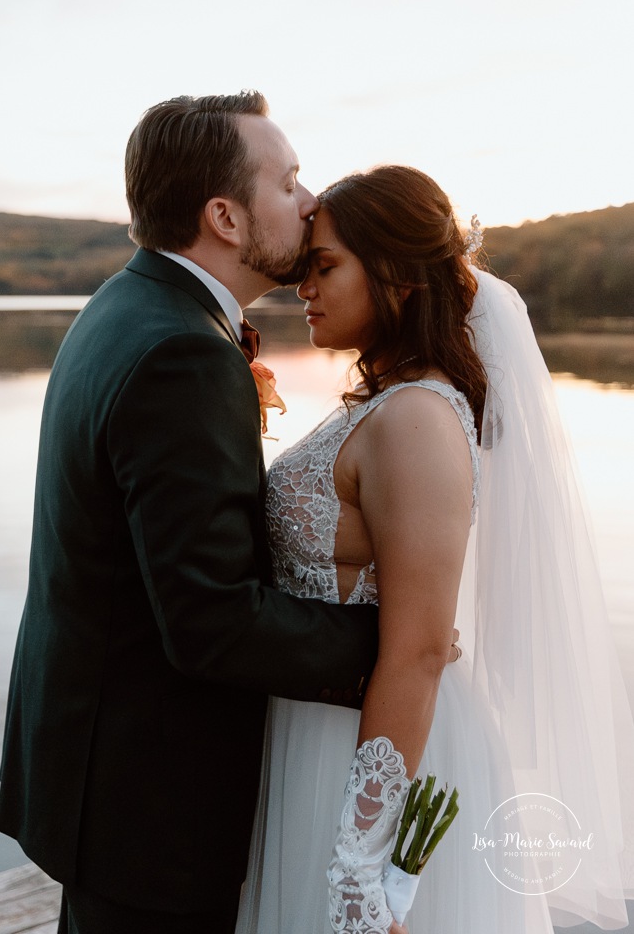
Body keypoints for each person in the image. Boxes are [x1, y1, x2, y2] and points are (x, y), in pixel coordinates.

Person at [0, 92, 396, 934]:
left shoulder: (121, 308)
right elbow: (210, 619)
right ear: (223, 215)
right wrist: (389, 644)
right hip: (150, 807)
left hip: (92, 779)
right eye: (286, 181)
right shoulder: (181, 350)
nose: (310, 200)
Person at [236, 165, 634, 933]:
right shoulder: (386, 401)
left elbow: (418, 649)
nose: (303, 289)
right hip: (313, 726)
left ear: (396, 276)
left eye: (325, 268)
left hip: (371, 755)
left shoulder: (417, 419)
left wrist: (361, 864)